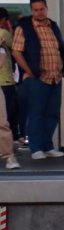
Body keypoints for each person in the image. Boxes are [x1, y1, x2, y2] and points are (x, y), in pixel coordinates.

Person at [12, 0, 64, 161]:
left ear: (46, 8)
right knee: (36, 113)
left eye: (42, 9)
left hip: (55, 76)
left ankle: (47, 146)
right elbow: (16, 51)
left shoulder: (53, 25)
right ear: (31, 10)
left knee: (52, 113)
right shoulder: (24, 27)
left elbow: (59, 48)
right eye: (35, 10)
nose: (39, 12)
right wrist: (29, 71)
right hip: (37, 77)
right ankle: (36, 148)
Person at [0, 8, 20, 147]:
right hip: (5, 80)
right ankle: (11, 141)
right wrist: (10, 29)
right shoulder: (4, 33)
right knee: (9, 113)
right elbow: (17, 48)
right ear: (4, 20)